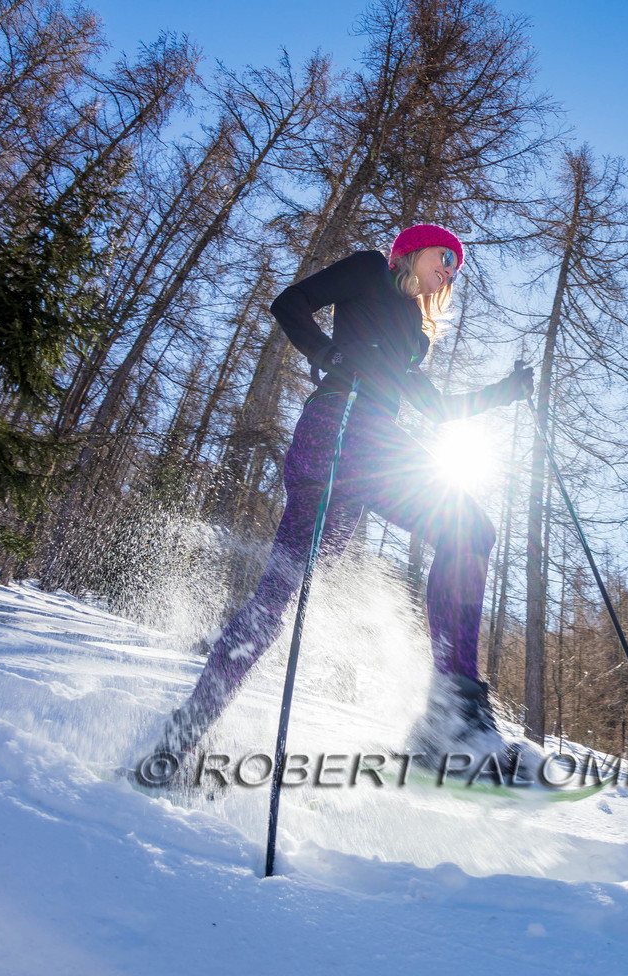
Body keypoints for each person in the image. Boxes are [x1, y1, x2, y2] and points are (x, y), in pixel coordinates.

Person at [151, 223, 531, 769]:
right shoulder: (370, 270)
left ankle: (181, 739)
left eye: (456, 266)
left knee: (277, 597)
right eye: (445, 255)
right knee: (468, 529)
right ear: (413, 250)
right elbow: (290, 303)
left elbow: (439, 409)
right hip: (340, 430)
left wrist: (506, 393)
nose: (450, 268)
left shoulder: (412, 339)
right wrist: (329, 355)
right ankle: (453, 718)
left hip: (356, 451)